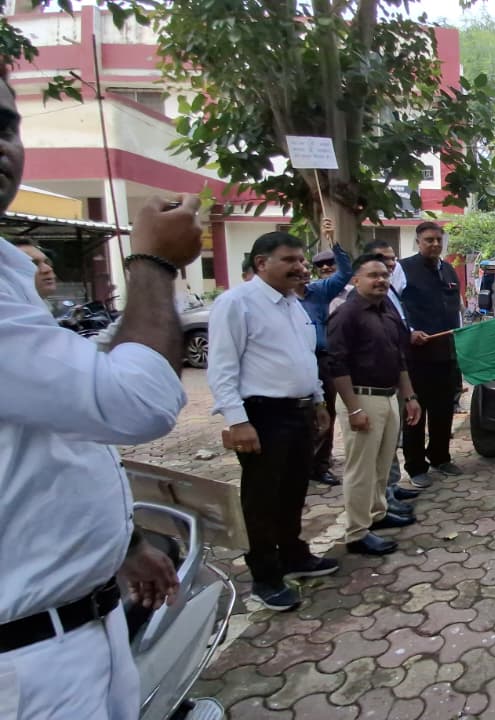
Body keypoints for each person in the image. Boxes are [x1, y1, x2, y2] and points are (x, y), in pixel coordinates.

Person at [2, 142, 200, 720]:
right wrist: (153, 264)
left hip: (84, 622)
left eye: (8, 123)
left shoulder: (23, 312)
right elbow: (134, 401)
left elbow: (55, 450)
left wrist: (125, 545)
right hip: (29, 661)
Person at [208, 231, 339, 611]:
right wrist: (238, 421)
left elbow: (305, 357)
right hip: (262, 415)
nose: (300, 267)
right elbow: (222, 367)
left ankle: (294, 555)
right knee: (262, 499)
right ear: (262, 263)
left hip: (299, 412)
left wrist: (318, 400)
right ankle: (265, 577)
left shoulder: (293, 304)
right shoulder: (237, 303)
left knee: (294, 490)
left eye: (301, 259)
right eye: (289, 260)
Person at [327, 254, 423, 555]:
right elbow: (336, 363)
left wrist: (409, 396)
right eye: (372, 275)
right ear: (356, 280)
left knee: (382, 464)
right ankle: (357, 532)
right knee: (361, 470)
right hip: (361, 397)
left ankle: (377, 513)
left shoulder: (387, 310)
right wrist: (354, 408)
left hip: (388, 395)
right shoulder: (346, 314)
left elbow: (399, 356)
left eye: (384, 275)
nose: (380, 280)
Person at [400, 221, 464, 486]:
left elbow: (456, 308)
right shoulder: (403, 269)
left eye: (438, 239)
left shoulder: (448, 270)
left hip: (446, 354)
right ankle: (416, 467)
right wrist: (409, 331)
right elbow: (394, 306)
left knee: (443, 411)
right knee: (415, 414)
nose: (435, 244)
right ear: (418, 242)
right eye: (429, 240)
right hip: (417, 356)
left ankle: (440, 457)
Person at [357, 239, 418, 515]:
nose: (389, 266)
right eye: (382, 260)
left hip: (393, 379)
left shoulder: (390, 291)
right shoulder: (353, 307)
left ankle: (390, 489)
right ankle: (377, 505)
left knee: (390, 443)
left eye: (392, 260)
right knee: (373, 452)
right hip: (368, 389)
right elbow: (340, 360)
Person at [298, 222, 353, 487]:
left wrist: (334, 242)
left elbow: (346, 274)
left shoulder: (318, 292)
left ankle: (320, 465)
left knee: (326, 413)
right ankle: (299, 465)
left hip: (322, 360)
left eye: (302, 263)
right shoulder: (279, 298)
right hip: (293, 364)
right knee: (299, 418)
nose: (300, 269)